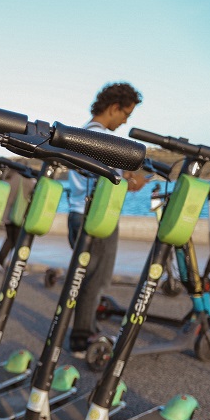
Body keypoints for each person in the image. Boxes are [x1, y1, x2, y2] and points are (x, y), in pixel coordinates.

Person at [67, 82, 145, 357]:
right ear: (114, 108)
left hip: (77, 214)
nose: (125, 121)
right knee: (96, 278)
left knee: (84, 274)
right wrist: (135, 179)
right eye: (126, 114)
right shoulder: (102, 138)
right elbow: (117, 177)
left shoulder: (82, 133)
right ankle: (82, 337)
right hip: (97, 216)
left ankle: (83, 328)